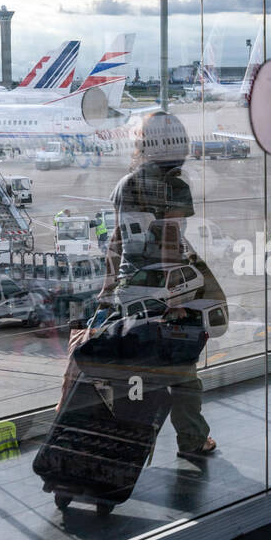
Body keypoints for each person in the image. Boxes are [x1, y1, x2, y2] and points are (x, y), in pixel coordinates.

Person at [98, 109, 220, 457]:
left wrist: (108, 290)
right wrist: (176, 300)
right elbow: (169, 243)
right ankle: (193, 440)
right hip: (162, 295)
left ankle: (124, 445)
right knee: (182, 374)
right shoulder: (176, 187)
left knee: (132, 375)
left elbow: (116, 243)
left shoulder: (125, 184)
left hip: (129, 292)